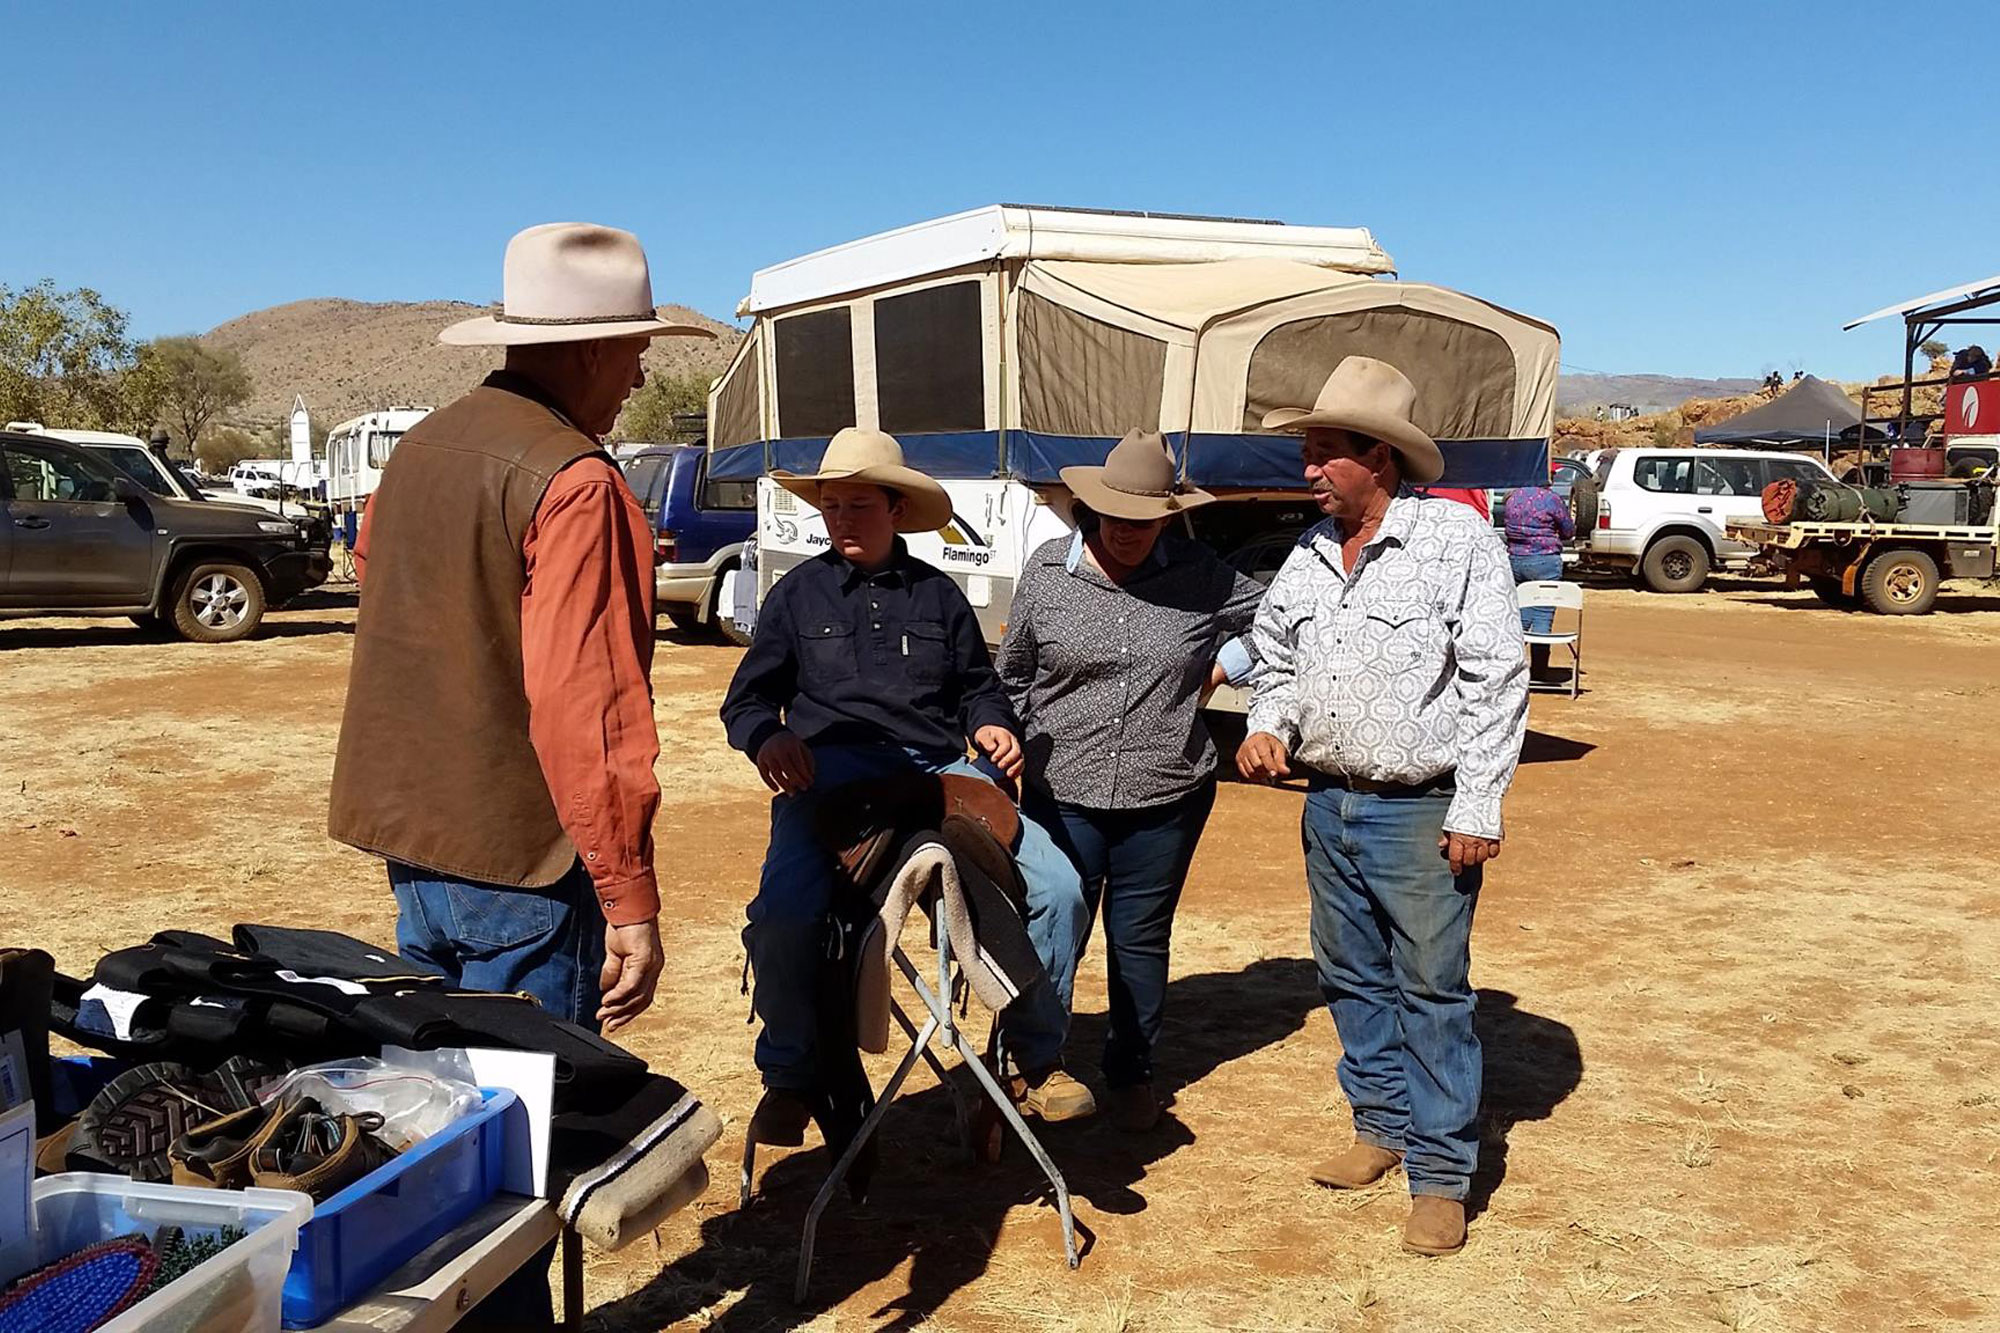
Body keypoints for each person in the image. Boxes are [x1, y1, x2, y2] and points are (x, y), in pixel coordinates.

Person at [330, 222, 714, 1035]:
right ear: (587, 350)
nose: (641, 375)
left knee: (440, 1105)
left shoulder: (418, 449)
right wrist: (628, 894)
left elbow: (384, 585)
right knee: (529, 1123)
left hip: (416, 839)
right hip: (522, 860)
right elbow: (591, 709)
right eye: (633, 349)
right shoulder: (578, 481)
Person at [720, 428, 1095, 1146]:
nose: (842, 520)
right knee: (784, 916)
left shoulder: (939, 596)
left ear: (895, 508)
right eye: (831, 507)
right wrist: (768, 737)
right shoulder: (795, 595)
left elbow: (979, 689)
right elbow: (746, 699)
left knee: (1061, 888)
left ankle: (1034, 1059)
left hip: (937, 776)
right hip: (825, 782)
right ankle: (791, 1072)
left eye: (859, 505)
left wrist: (993, 727)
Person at [1237, 356, 1528, 1257]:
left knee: (1433, 991)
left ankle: (1440, 1176)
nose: (1309, 468)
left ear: (1382, 459)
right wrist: (1267, 723)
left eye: (1327, 453)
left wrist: (1477, 804)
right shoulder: (1310, 552)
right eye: (1309, 452)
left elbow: (1498, 676)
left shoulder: (1457, 543)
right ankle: (1380, 1126)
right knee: (1351, 976)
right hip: (1330, 806)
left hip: (1420, 811)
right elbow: (1276, 655)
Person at [995, 430, 1265, 1132]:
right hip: (1062, 789)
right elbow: (1015, 672)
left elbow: (1280, 618)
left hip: (1167, 790)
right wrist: (1007, 746)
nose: (1129, 533)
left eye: (1146, 521)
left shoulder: (1202, 573)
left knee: (1139, 937)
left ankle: (1132, 1068)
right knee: (1055, 926)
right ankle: (1028, 1063)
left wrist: (1221, 667)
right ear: (1092, 506)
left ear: (1169, 517)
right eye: (1117, 517)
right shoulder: (1048, 571)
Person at [1501, 474, 1575, 683]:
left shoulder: (1513, 498)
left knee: (1521, 615)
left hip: (1516, 559)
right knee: (1543, 615)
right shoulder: (1550, 499)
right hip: (1545, 561)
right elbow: (1568, 530)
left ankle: (1511, 667)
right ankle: (1539, 672)